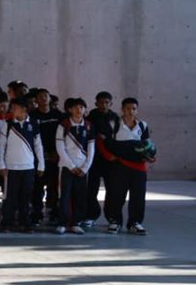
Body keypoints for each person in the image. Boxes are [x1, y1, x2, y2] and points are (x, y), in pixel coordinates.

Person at [100, 97, 153, 235]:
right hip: (119, 167)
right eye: (128, 108)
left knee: (138, 196)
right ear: (122, 109)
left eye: (134, 108)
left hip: (139, 168)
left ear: (137, 110)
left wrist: (150, 157)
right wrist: (111, 158)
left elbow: (148, 146)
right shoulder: (113, 125)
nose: (131, 111)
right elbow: (104, 145)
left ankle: (135, 223)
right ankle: (115, 221)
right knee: (116, 195)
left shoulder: (142, 126)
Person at [0, 97, 44, 232]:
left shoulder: (33, 124)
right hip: (11, 168)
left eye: (15, 108)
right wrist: (1, 164)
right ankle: (6, 222)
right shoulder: (8, 124)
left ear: (24, 109)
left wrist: (41, 165)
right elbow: (1, 145)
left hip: (28, 167)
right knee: (9, 197)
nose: (12, 110)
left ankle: (25, 223)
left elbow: (38, 146)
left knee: (26, 196)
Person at [55, 98, 94, 235]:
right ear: (70, 110)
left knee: (80, 196)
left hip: (82, 169)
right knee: (64, 195)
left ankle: (76, 223)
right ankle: (63, 223)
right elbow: (60, 147)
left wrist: (85, 168)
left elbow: (91, 149)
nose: (79, 110)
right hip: (66, 167)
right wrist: (70, 165)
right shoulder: (64, 125)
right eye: (76, 107)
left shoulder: (89, 126)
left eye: (81, 107)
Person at [30, 89, 65, 225]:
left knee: (54, 186)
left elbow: (64, 135)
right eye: (40, 97)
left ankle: (54, 212)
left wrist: (57, 153)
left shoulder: (58, 116)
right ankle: (37, 213)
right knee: (37, 187)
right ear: (36, 100)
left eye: (46, 96)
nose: (43, 99)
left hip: (57, 155)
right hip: (39, 156)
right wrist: (41, 154)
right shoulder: (32, 116)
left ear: (50, 98)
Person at [85, 91, 119, 227]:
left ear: (111, 104)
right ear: (96, 103)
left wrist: (107, 139)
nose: (104, 105)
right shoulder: (91, 117)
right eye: (101, 102)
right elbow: (86, 134)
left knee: (111, 189)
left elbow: (118, 137)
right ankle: (91, 215)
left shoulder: (115, 118)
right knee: (92, 189)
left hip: (110, 160)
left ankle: (111, 217)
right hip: (94, 159)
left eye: (107, 102)